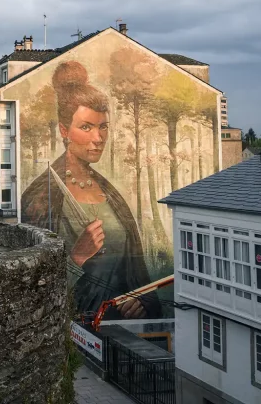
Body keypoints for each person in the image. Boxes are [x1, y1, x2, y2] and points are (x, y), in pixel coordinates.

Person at [21, 61, 161, 321]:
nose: (98, 137)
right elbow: (33, 289)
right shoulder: (41, 196)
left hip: (117, 331)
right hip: (71, 336)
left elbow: (136, 274)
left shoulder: (112, 195)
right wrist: (77, 256)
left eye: (103, 126)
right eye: (86, 127)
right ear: (65, 131)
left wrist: (138, 300)